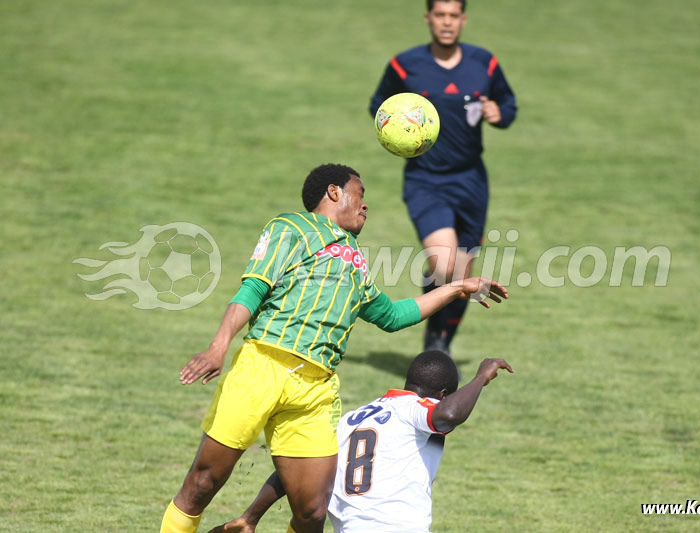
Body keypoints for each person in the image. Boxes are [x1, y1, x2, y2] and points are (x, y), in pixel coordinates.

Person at [160, 163, 509, 533]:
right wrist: (218, 346)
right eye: (360, 194)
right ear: (333, 192)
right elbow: (252, 288)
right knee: (203, 483)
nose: (365, 205)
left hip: (316, 390)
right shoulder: (290, 228)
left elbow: (393, 315)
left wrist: (458, 287)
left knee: (311, 511)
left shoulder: (356, 262)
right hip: (264, 365)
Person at [209, 351, 514, 533]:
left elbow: (298, 472)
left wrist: (251, 517)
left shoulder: (351, 420)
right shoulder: (415, 409)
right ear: (444, 393)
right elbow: (447, 415)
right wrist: (480, 378)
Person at [369, 0, 517, 359]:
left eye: (453, 16)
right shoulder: (405, 66)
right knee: (444, 263)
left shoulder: (485, 63)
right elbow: (379, 104)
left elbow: (508, 103)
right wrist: (396, 126)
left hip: (470, 181)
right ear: (428, 19)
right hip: (425, 180)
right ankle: (434, 337)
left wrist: (499, 114)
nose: (447, 22)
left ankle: (440, 344)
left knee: (464, 273)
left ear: (463, 20)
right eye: (440, 15)